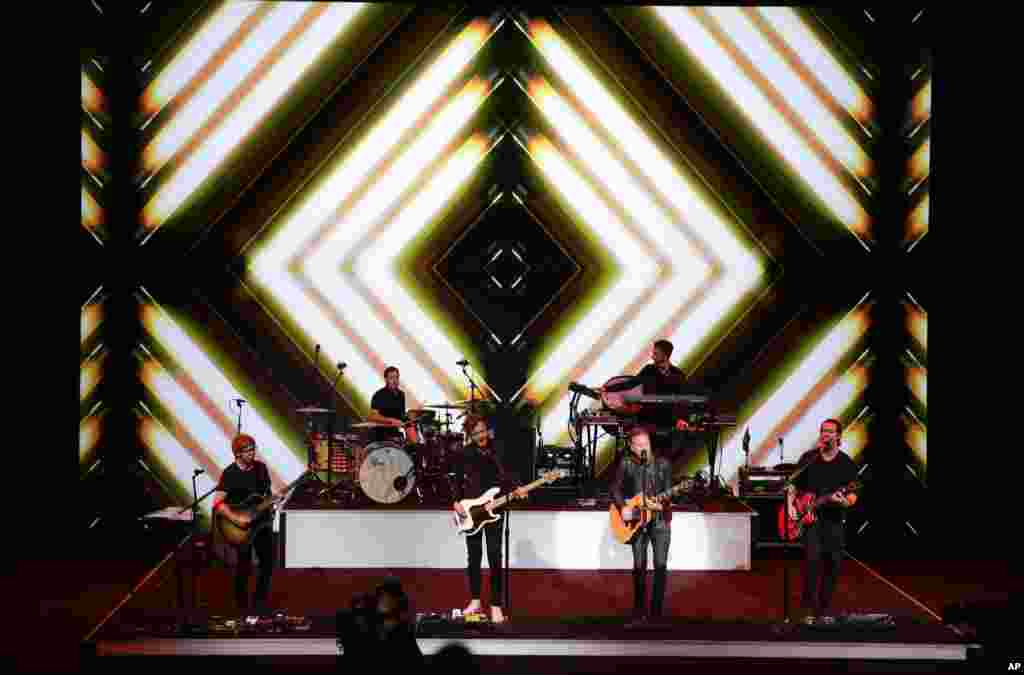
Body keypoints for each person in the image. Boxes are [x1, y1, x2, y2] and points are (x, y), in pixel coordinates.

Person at [450, 414, 528, 624]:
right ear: (470, 435)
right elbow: (456, 481)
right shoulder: (463, 454)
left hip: (496, 508)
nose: (481, 435)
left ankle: (495, 605)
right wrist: (456, 502)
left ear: (488, 430)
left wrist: (518, 487)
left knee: (494, 556)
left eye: (483, 430)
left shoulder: (499, 449)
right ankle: (475, 600)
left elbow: (510, 474)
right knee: (473, 557)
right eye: (476, 433)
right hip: (471, 511)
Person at [785, 418, 859, 624]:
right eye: (823, 431)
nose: (825, 434)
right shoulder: (809, 458)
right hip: (811, 520)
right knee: (812, 562)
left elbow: (853, 495)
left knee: (833, 564)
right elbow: (793, 486)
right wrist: (791, 506)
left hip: (834, 520)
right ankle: (808, 609)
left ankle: (823, 609)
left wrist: (844, 501)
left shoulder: (846, 463)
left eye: (830, 431)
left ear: (838, 437)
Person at [211, 434, 279, 613]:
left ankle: (259, 602)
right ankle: (240, 604)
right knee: (244, 564)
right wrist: (237, 519)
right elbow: (217, 503)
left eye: (253, 449)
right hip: (240, 527)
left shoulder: (261, 469)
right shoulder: (230, 473)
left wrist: (273, 502)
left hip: (261, 523)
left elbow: (266, 494)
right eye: (248, 451)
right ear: (237, 454)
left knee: (268, 562)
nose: (252, 453)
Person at [611, 426, 673, 623]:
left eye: (646, 444)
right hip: (637, 522)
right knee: (639, 567)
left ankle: (656, 613)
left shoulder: (663, 464)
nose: (643, 448)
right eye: (638, 445)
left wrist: (661, 504)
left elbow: (669, 493)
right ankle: (639, 612)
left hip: (660, 522)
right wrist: (622, 508)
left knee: (660, 566)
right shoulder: (626, 464)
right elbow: (615, 489)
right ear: (631, 447)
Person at [367, 366, 406, 443]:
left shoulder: (401, 394)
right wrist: (391, 420)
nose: (395, 380)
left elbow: (402, 416)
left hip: (396, 433)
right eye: (391, 378)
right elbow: (373, 416)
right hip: (380, 434)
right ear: (386, 379)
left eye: (396, 377)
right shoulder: (378, 395)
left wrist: (412, 416)